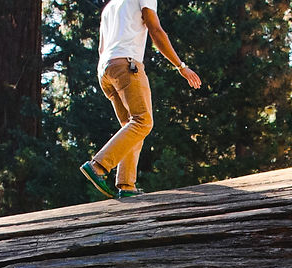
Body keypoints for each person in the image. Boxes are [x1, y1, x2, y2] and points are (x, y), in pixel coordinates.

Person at [79, 0, 202, 200]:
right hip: (127, 65)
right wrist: (181, 66)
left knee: (131, 127)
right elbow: (155, 29)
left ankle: (126, 185)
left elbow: (102, 49)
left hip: (105, 70)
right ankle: (98, 166)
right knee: (143, 121)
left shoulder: (110, 6)